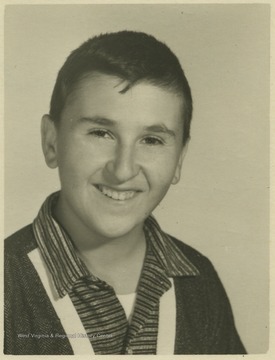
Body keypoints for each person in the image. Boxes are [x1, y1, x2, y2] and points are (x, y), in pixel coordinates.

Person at [4, 30, 246, 355]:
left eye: (152, 140)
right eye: (101, 133)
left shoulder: (198, 280)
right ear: (51, 142)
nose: (122, 170)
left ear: (179, 160)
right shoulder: (8, 283)